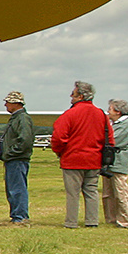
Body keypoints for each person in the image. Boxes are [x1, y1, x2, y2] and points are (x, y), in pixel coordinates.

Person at [50, 80, 113, 228]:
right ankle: (92, 221)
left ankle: (71, 222)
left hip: (73, 159)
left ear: (81, 96)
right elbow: (109, 138)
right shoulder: (101, 115)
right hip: (94, 160)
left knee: (73, 193)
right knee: (91, 191)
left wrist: (59, 151)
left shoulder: (70, 114)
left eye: (74, 93)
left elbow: (58, 136)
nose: (71, 96)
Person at [0, 90, 34, 225]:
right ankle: (16, 215)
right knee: (12, 188)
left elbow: (25, 140)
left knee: (17, 188)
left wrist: (10, 153)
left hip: (17, 159)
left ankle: (21, 216)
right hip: (13, 159)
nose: (6, 105)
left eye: (7, 102)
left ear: (15, 103)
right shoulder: (17, 118)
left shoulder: (22, 119)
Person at [102, 98, 128, 228]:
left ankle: (124, 221)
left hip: (119, 162)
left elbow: (113, 140)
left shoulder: (127, 124)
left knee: (120, 192)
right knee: (107, 193)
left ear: (118, 111)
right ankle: (110, 219)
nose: (108, 112)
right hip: (109, 162)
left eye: (110, 109)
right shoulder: (112, 124)